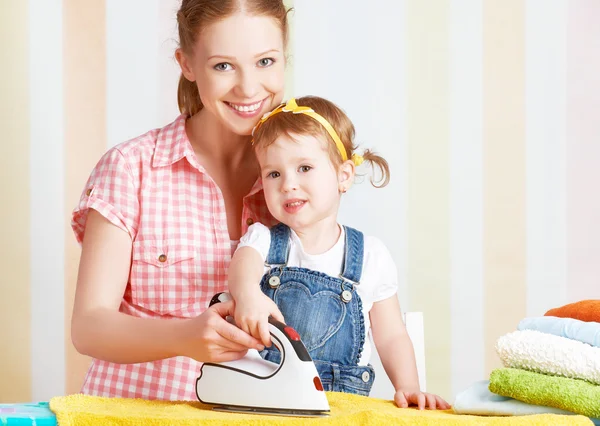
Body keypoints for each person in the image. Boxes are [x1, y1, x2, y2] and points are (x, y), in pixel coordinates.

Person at [69, 0, 290, 400]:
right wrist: (184, 336)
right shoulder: (131, 168)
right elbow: (88, 327)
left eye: (266, 61)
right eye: (224, 66)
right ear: (187, 64)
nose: (249, 88)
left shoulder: (299, 177)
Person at [228, 96, 451, 410]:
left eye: (304, 168)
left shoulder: (371, 256)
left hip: (341, 407)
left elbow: (390, 336)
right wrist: (247, 293)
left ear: (343, 176)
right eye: (273, 174)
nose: (288, 184)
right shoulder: (263, 239)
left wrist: (409, 387)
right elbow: (243, 267)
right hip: (264, 401)